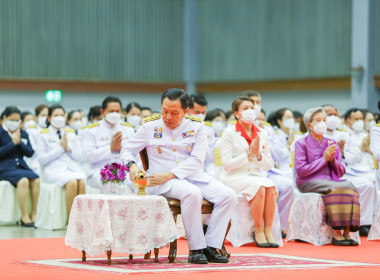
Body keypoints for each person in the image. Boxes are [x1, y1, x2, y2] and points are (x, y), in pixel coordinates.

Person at [121, 88, 237, 264]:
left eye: (174, 113)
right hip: (160, 181)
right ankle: (196, 248)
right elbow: (127, 149)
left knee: (228, 196)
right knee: (192, 193)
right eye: (164, 111)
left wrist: (169, 175)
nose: (168, 117)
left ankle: (211, 246)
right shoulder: (149, 127)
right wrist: (132, 165)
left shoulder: (197, 127)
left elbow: (197, 161)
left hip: (192, 176)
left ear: (185, 111)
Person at [219, 96, 279, 248]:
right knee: (259, 188)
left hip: (255, 175)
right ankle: (258, 231)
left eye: (251, 108)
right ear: (236, 113)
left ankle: (268, 230)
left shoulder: (262, 133)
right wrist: (249, 154)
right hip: (233, 176)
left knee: (271, 188)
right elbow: (227, 164)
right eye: (245, 109)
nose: (250, 111)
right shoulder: (229, 132)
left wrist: (259, 155)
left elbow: (268, 165)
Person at [294, 107, 360, 246]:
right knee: (335, 188)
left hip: (330, 181)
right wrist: (324, 159)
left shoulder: (331, 143)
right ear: (310, 125)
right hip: (308, 181)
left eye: (324, 120)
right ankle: (337, 233)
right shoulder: (301, 143)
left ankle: (347, 232)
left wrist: (332, 160)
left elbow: (341, 171)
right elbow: (301, 171)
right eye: (318, 120)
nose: (323, 123)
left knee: (350, 186)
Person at [246, 92, 294, 237]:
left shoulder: (266, 128)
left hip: (267, 170)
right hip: (247, 171)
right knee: (265, 187)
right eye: (253, 102)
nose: (256, 106)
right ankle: (261, 227)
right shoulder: (237, 127)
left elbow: (277, 156)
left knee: (288, 185)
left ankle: (279, 227)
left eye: (259, 102)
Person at [36, 104, 85, 217]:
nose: (59, 118)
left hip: (72, 169)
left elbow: (81, 157)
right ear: (49, 118)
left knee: (82, 182)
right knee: (72, 182)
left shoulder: (71, 133)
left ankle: (81, 217)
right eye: (56, 115)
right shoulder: (43, 135)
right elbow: (41, 159)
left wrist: (68, 148)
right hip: (54, 171)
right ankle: (71, 218)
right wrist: (60, 149)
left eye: (62, 115)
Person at [82, 96, 135, 192]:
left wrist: (121, 149)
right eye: (111, 111)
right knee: (111, 181)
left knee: (140, 182)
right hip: (99, 171)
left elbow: (135, 154)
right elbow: (87, 156)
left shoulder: (128, 129)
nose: (114, 114)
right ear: (102, 112)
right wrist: (110, 149)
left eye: (117, 111)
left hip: (124, 170)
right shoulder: (92, 130)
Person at [0, 106, 40, 227]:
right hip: (4, 167)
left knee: (36, 180)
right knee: (23, 181)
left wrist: (19, 143)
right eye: (12, 120)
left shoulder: (22, 132)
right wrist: (12, 143)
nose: (15, 123)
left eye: (18, 120)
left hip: (21, 166)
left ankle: (34, 213)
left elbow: (30, 152)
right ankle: (24, 216)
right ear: (5, 118)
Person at [341, 108, 378, 236]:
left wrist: (367, 149)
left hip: (366, 168)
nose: (360, 122)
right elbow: (348, 158)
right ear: (348, 121)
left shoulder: (364, 134)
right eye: (356, 119)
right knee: (371, 182)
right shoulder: (344, 134)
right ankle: (364, 223)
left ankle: (373, 220)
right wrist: (362, 148)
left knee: (373, 180)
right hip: (351, 171)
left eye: (361, 119)